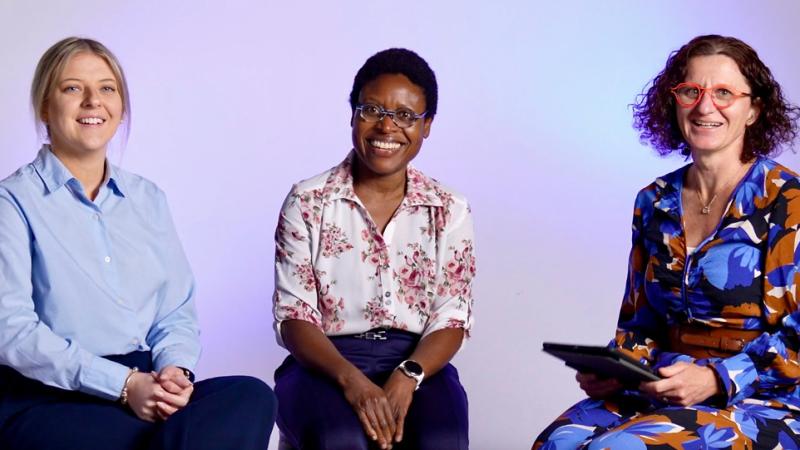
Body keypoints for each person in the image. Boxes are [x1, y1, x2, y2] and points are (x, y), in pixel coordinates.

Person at [0, 37, 276, 450]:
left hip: (146, 383)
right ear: (45, 106)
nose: (94, 101)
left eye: (107, 88)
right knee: (150, 439)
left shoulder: (148, 198)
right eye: (73, 88)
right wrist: (123, 385)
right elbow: (13, 332)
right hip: (48, 394)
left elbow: (176, 310)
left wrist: (174, 373)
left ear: (121, 105)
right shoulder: (12, 202)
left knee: (252, 396)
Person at [534, 34, 800, 449]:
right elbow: (639, 324)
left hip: (763, 400)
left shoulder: (789, 201)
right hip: (663, 384)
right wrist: (618, 367)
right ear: (673, 101)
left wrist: (716, 378)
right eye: (691, 91)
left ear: (754, 110)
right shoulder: (653, 201)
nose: (705, 105)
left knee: (616, 448)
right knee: (558, 442)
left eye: (724, 93)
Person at [272, 48, 474, 450]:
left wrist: (408, 375)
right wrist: (353, 381)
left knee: (442, 439)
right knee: (340, 438)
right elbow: (294, 317)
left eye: (405, 116)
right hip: (325, 360)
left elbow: (452, 317)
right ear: (352, 114)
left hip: (417, 360)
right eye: (372, 109)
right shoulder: (308, 200)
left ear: (427, 125)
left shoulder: (449, 208)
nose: (387, 126)